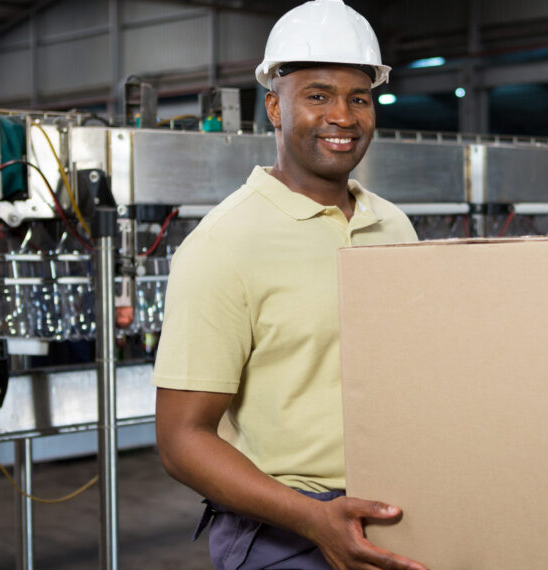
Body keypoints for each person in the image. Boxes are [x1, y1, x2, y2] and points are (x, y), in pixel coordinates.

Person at [152, 1, 425, 568]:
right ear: (275, 107)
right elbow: (182, 440)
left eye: (360, 97)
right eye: (318, 95)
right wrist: (312, 518)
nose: (343, 117)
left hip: (400, 508)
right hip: (285, 527)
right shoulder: (224, 245)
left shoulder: (393, 225)